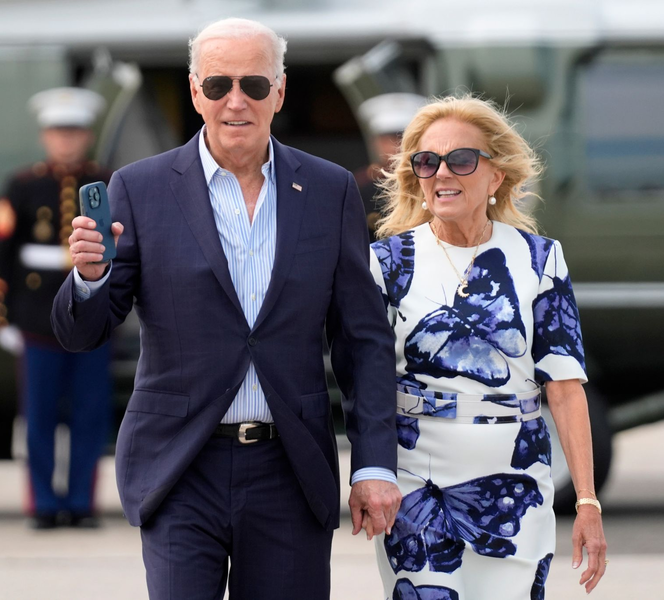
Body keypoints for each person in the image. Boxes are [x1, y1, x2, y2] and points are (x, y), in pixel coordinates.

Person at [50, 17, 401, 600]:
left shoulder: (330, 188)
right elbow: (83, 332)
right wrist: (90, 278)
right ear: (195, 91)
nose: (235, 101)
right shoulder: (138, 188)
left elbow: (364, 340)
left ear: (280, 92)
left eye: (254, 85)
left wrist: (373, 465)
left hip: (291, 471)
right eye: (218, 86)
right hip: (179, 468)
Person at [369, 96, 608, 599]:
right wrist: (368, 476)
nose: (441, 173)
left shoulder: (539, 257)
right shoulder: (387, 261)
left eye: (461, 159)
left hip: (514, 485)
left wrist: (587, 499)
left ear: (496, 176)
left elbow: (564, 388)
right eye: (427, 161)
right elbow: (364, 381)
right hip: (414, 482)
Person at [0, 87, 112, 529]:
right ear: (46, 137)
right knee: (40, 415)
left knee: (90, 414)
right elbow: (5, 252)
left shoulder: (105, 180)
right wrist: (4, 316)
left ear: (86, 136)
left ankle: (81, 502)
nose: (66, 141)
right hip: (35, 316)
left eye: (74, 132)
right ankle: (45, 503)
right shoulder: (22, 185)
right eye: (58, 132)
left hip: (90, 315)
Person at [354, 93, 426, 242]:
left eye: (401, 138)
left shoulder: (431, 177)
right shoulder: (360, 183)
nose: (395, 145)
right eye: (387, 139)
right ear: (376, 142)